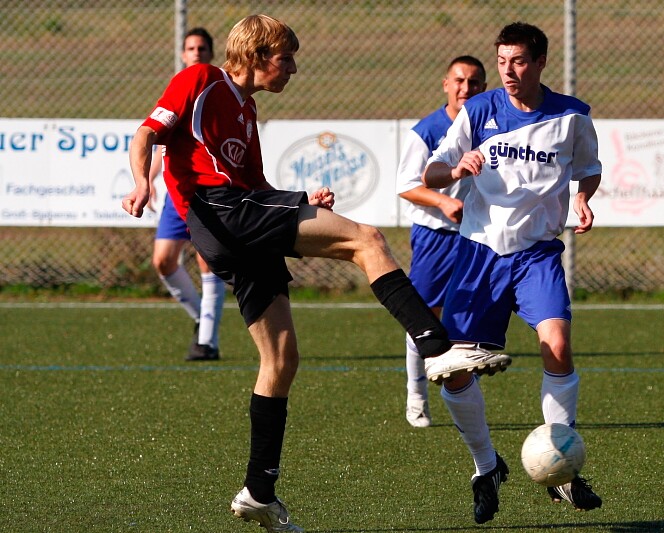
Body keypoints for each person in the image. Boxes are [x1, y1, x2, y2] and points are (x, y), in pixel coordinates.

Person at [122, 14, 511, 532]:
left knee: (281, 361)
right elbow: (146, 133)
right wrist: (141, 183)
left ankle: (259, 492)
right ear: (257, 55)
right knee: (367, 240)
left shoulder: (247, 109)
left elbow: (258, 186)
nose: (293, 69)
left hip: (237, 221)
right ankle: (436, 347)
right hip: (221, 212)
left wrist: (302, 199)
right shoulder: (202, 79)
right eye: (286, 59)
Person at [423, 22, 603, 523]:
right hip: (479, 254)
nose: (508, 71)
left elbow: (589, 168)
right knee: (455, 370)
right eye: (502, 61)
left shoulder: (572, 115)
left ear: (540, 62)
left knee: (558, 345)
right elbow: (431, 173)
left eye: (518, 61)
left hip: (536, 255)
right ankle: (486, 466)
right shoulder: (478, 110)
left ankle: (561, 468)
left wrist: (584, 197)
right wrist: (457, 169)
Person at [396, 56, 487, 428]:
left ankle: (464, 398)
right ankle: (416, 397)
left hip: (477, 237)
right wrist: (443, 202)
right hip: (435, 237)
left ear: (484, 87)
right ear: (446, 84)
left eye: (474, 82)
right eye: (459, 81)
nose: (466, 88)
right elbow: (406, 186)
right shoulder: (427, 130)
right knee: (424, 317)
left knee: (470, 319)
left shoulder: (490, 124)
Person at [148, 27, 226, 361]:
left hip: (209, 192)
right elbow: (160, 138)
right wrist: (148, 179)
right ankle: (202, 319)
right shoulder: (177, 86)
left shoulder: (218, 88)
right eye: (190, 48)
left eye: (202, 48)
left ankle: (206, 342)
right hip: (176, 191)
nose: (196, 52)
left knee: (207, 258)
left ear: (211, 53)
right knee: (163, 261)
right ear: (183, 54)